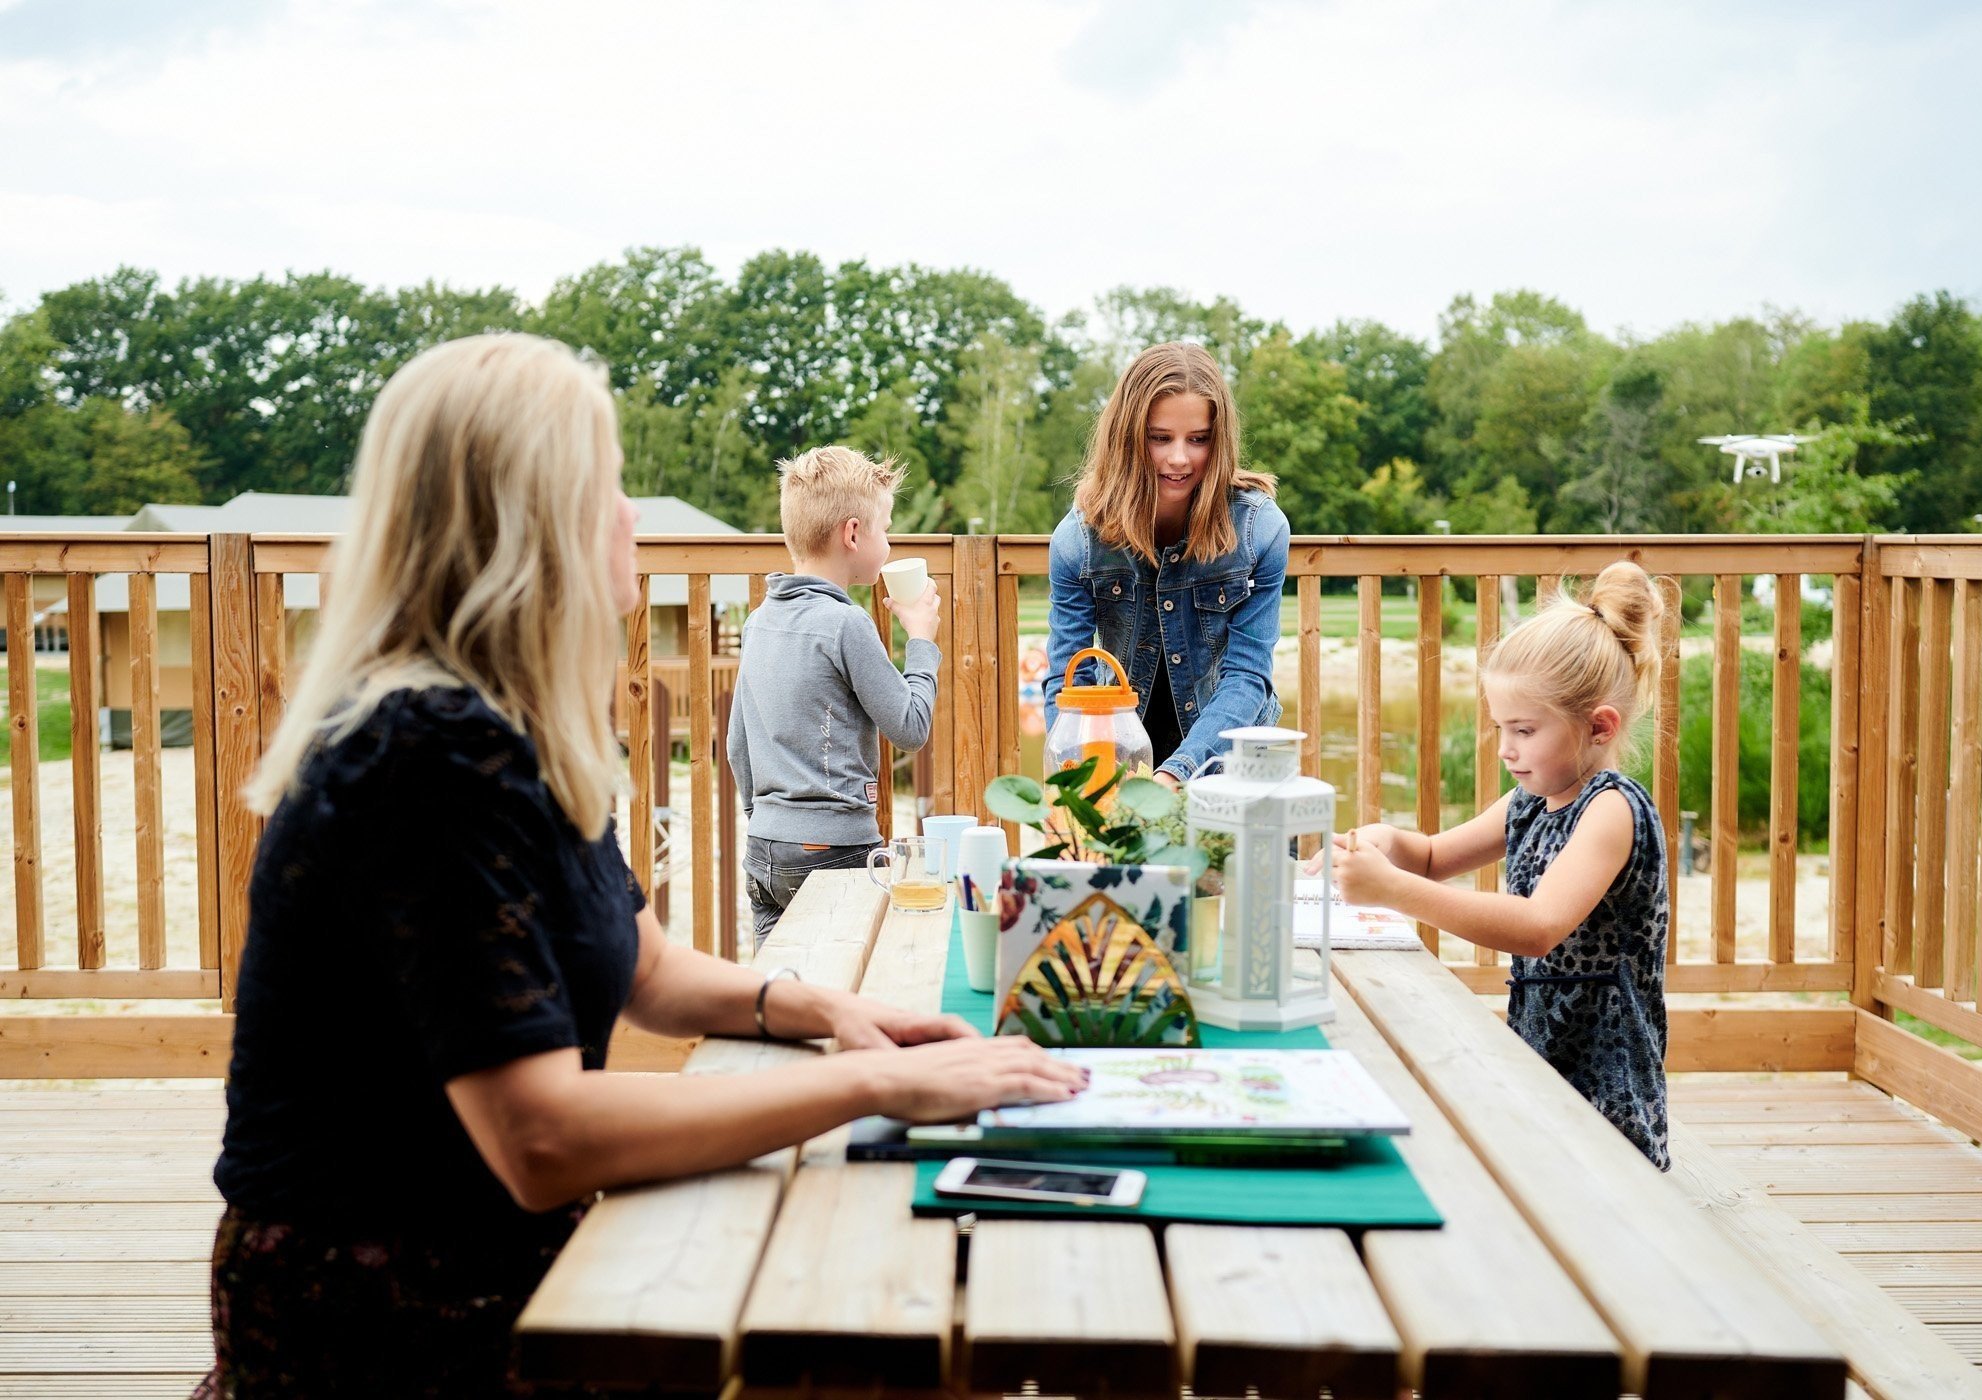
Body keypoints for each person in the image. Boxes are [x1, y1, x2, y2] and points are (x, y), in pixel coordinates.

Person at [204, 335, 1084, 1399]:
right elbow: (541, 1136)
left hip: (507, 1264)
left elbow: (651, 971)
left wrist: (837, 1013)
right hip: (390, 1318)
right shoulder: (423, 754)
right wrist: (873, 1084)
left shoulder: (510, 726)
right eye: (609, 484)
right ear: (531, 522)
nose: (631, 513)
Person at [1314, 562, 1672, 1169]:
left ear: (1598, 726)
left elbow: (1537, 926)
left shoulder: (1612, 810)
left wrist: (1391, 890)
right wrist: (1382, 842)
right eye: (1501, 728)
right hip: (1542, 1046)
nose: (1506, 748)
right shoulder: (1529, 802)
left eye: (1524, 730)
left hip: (1605, 1074)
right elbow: (1432, 857)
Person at [1044, 342, 1289, 789]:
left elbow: (1248, 676)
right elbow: (1068, 682)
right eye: (1160, 438)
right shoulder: (1077, 542)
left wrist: (1176, 772)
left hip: (1232, 766)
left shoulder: (1260, 531)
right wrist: (1078, 785)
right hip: (1120, 762)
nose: (1179, 458)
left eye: (1198, 439)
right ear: (1128, 437)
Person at [728, 446, 939, 943]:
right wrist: (922, 640)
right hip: (836, 850)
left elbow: (738, 745)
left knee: (779, 979)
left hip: (766, 848)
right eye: (885, 528)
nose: (888, 542)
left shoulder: (759, 621)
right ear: (853, 533)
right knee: (845, 975)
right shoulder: (847, 623)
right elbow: (911, 728)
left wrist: (770, 821)